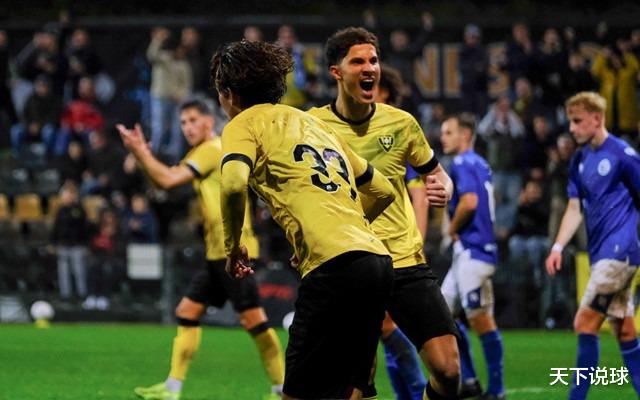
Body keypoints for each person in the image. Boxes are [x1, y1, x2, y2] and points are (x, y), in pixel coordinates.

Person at [213, 39, 396, 400]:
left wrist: (233, 247)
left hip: (333, 267)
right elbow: (384, 190)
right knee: (353, 389)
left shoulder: (242, 124)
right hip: (376, 261)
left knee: (297, 393)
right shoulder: (314, 124)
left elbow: (233, 184)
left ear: (229, 94)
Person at [308, 27, 460, 400]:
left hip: (403, 259)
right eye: (357, 61)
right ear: (336, 72)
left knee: (449, 371)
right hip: (349, 262)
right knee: (354, 384)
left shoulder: (401, 123)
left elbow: (437, 174)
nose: (369, 68)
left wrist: (445, 187)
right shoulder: (312, 126)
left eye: (373, 60)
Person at [117, 99, 285, 400]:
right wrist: (143, 158)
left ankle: (282, 389)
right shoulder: (203, 152)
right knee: (188, 311)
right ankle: (172, 388)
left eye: (193, 120)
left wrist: (141, 152)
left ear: (209, 121)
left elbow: (168, 180)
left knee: (253, 320)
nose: (187, 127)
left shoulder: (211, 149)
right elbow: (163, 179)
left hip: (235, 251)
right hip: (217, 253)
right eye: (183, 122)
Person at [545, 92, 640, 400]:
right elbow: (575, 208)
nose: (571, 129)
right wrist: (558, 247)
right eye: (570, 121)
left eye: (577, 121)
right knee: (624, 329)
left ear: (597, 119)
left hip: (620, 252)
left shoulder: (624, 155)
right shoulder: (579, 159)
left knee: (584, 322)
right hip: (602, 253)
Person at [440, 113, 505, 400]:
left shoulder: (462, 162)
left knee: (481, 320)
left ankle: (497, 390)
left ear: (465, 135)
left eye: (449, 132)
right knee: (443, 314)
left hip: (474, 251)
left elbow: (469, 202)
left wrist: (451, 229)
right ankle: (468, 380)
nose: (443, 137)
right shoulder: (481, 163)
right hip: (469, 252)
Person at [374, 63, 428, 400]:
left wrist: (417, 240)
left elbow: (419, 194)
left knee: (386, 324)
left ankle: (419, 389)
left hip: (397, 246)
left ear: (386, 94)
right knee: (380, 328)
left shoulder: (396, 133)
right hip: (368, 244)